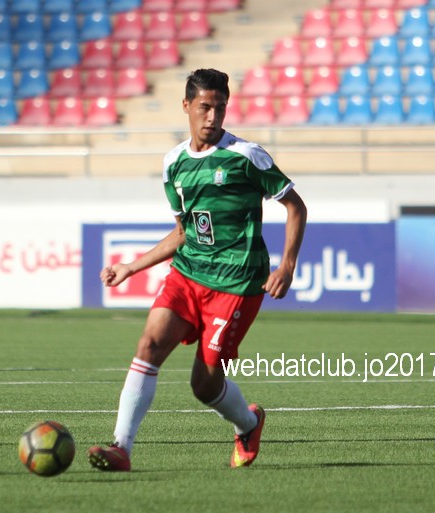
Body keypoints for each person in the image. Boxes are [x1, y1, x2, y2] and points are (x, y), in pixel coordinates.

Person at [88, 68, 307, 471]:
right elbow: (183, 232)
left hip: (236, 284)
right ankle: (122, 448)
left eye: (220, 107)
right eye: (205, 106)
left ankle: (248, 424)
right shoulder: (174, 163)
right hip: (188, 275)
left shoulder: (246, 156)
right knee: (149, 345)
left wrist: (287, 265)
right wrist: (131, 268)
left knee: (204, 385)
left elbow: (295, 207)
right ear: (186, 106)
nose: (213, 116)